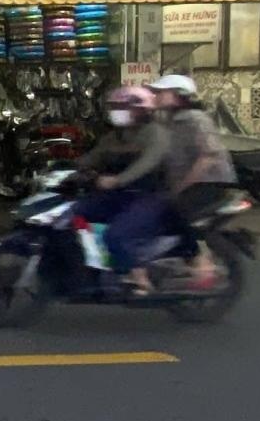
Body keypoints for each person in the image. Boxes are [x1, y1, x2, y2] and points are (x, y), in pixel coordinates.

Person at [152, 73, 238, 281]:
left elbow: (208, 157)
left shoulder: (196, 119)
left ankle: (201, 262)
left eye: (162, 92)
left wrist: (182, 186)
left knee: (173, 211)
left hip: (208, 184)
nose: (157, 96)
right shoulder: (172, 121)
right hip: (190, 184)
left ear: (178, 95)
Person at [82, 86, 168, 278]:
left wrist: (118, 180)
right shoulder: (116, 136)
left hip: (151, 197)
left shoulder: (155, 133)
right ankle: (96, 270)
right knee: (79, 213)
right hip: (122, 195)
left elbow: (148, 162)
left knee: (115, 234)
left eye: (122, 107)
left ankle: (139, 279)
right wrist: (68, 167)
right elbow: (95, 156)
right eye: (114, 107)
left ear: (142, 110)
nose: (117, 111)